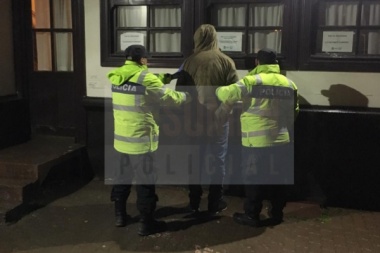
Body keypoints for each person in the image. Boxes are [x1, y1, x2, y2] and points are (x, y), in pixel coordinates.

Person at [106, 44, 191, 236]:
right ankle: (146, 223)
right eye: (147, 59)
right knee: (145, 183)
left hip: (121, 140)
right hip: (141, 142)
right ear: (143, 60)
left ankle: (120, 216)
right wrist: (188, 96)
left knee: (121, 179)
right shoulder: (146, 78)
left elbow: (144, 85)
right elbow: (170, 98)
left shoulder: (118, 76)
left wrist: (165, 79)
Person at [216, 48, 299, 226]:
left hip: (256, 142)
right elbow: (294, 112)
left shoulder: (252, 81)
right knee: (278, 179)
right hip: (281, 140)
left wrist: (217, 90)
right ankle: (277, 213)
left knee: (254, 179)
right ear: (276, 63)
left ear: (257, 62)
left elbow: (225, 94)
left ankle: (252, 214)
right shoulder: (289, 84)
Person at [175, 24, 239, 214]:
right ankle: (214, 202)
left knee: (195, 161)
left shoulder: (189, 62)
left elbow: (180, 93)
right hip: (219, 120)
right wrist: (221, 113)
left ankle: (194, 202)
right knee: (218, 161)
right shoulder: (226, 61)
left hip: (195, 121)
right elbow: (235, 93)